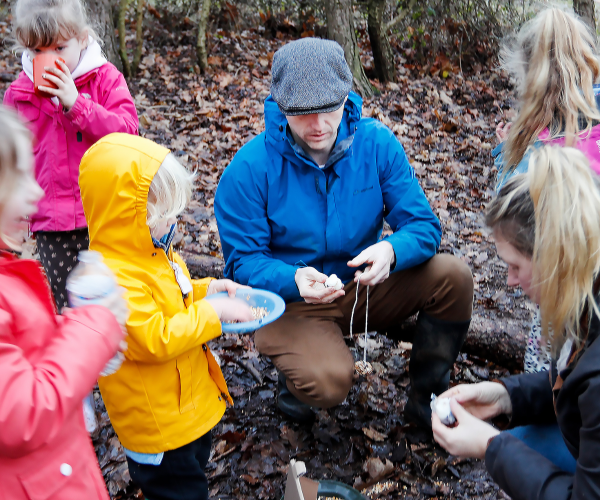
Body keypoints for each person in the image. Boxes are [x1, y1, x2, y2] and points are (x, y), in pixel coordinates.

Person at [215, 38, 474, 426]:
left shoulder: (376, 145)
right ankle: (296, 388)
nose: (318, 126)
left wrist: (391, 251)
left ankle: (428, 403)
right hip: (291, 302)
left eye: (329, 109)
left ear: (347, 97)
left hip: (361, 286)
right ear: (280, 106)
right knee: (330, 383)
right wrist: (294, 278)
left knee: (453, 278)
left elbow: (423, 225)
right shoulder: (249, 169)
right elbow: (242, 263)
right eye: (302, 113)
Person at [78, 133, 253, 500]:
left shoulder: (154, 253)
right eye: (162, 215)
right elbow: (153, 338)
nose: (173, 221)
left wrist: (209, 290)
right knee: (178, 489)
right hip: (158, 426)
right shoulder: (112, 279)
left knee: (192, 468)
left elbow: (176, 295)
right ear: (127, 218)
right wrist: (213, 313)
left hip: (183, 408)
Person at [432, 145, 600, 499]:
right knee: (521, 443)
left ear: (556, 258)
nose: (509, 280)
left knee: (510, 450)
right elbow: (574, 382)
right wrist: (506, 396)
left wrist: (490, 446)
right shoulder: (587, 294)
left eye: (516, 266)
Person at [0, 108, 126, 499]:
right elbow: (21, 414)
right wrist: (92, 327)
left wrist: (73, 332)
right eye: (18, 178)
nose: (36, 191)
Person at [3, 0, 139, 310]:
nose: (48, 59)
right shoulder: (19, 95)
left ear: (83, 39)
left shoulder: (104, 79)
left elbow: (129, 135)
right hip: (51, 225)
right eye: (37, 52)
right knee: (68, 305)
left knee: (116, 300)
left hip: (104, 215)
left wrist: (77, 104)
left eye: (59, 48)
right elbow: (10, 161)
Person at [494, 7, 600, 189]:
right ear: (588, 61)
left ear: (530, 79)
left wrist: (506, 155)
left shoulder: (537, 150)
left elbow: (510, 207)